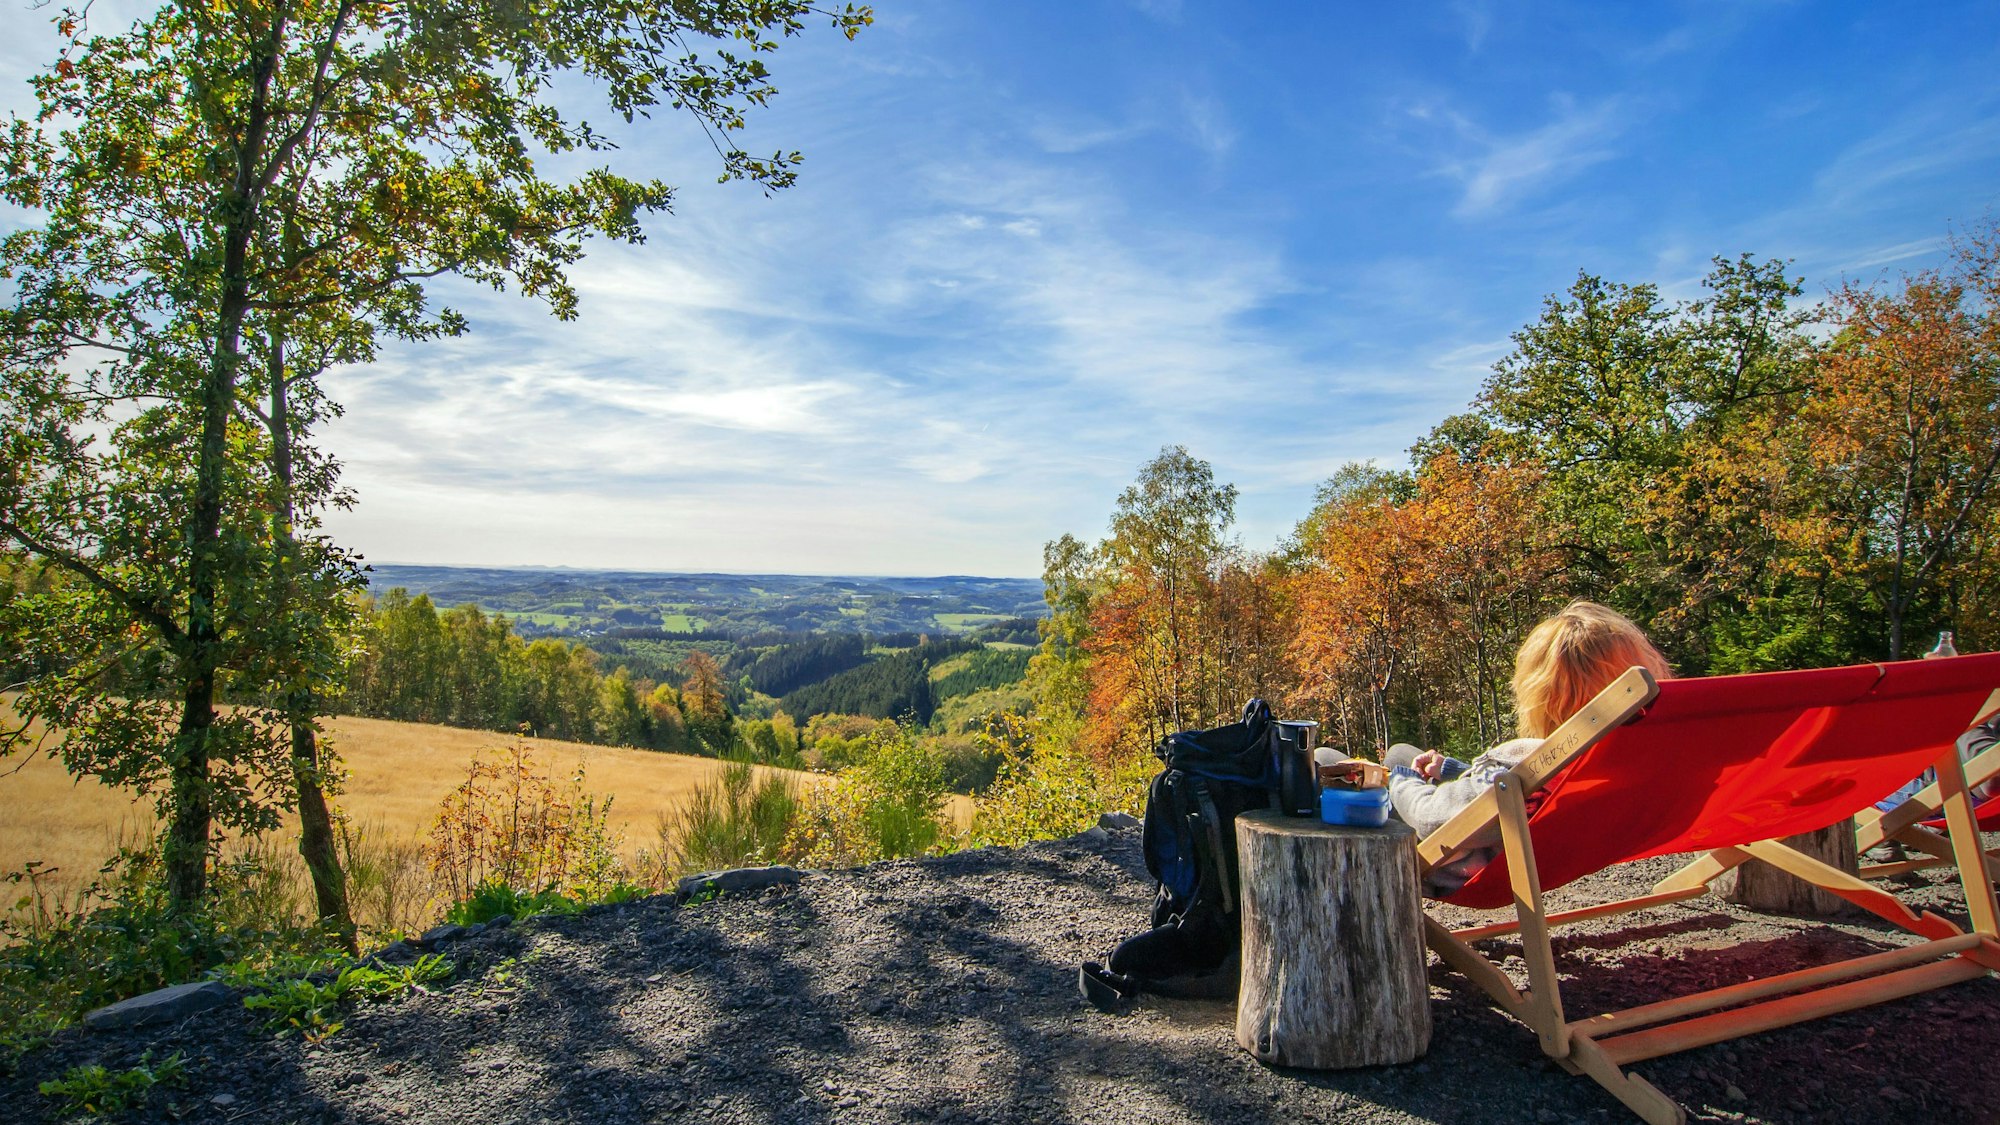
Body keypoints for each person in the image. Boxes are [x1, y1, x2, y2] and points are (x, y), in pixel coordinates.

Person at [1384, 600, 1672, 896]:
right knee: (1401, 752)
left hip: (1465, 869)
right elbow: (1510, 791)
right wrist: (1454, 771)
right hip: (1563, 847)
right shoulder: (1645, 751)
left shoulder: (1531, 758)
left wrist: (1400, 779)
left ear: (1539, 694)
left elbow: (1431, 819)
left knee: (1344, 763)